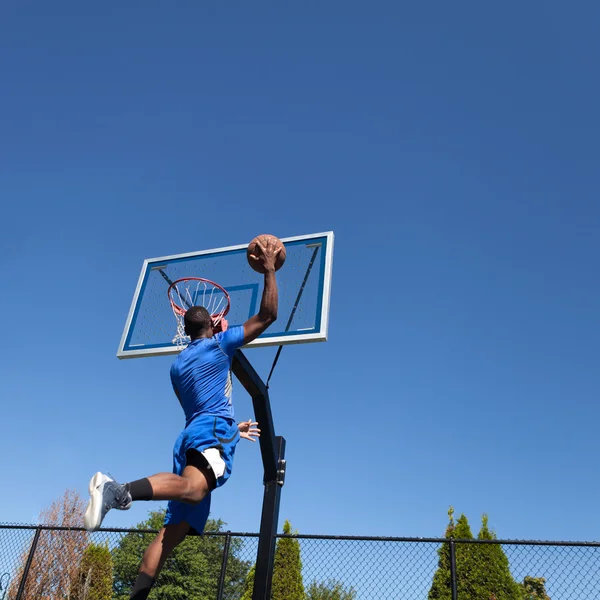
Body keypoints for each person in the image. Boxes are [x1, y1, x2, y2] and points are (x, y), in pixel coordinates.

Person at [83, 236, 281, 600]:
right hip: (211, 434)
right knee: (194, 488)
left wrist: (231, 428)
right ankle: (119, 491)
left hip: (195, 434)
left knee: (170, 534)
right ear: (215, 323)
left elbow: (202, 403)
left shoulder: (178, 367)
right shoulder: (220, 344)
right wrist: (269, 269)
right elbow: (268, 315)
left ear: (184, 330)